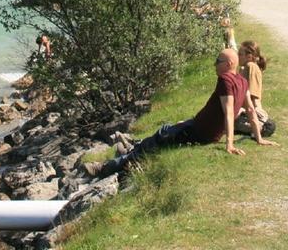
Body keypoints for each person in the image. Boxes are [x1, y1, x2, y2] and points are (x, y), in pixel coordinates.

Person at [83, 48, 277, 177]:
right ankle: (127, 156)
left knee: (161, 135)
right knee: (165, 132)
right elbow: (250, 110)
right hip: (199, 127)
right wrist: (258, 138)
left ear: (228, 64)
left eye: (217, 61)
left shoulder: (226, 80)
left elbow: (228, 112)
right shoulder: (242, 81)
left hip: (199, 133)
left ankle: (106, 168)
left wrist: (229, 145)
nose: (214, 64)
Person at [234, 40, 275, 138]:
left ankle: (260, 127)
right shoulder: (244, 68)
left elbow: (253, 97)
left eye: (240, 54)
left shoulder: (251, 66)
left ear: (249, 56)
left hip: (249, 111)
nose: (237, 56)